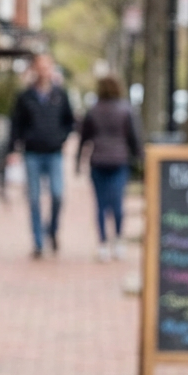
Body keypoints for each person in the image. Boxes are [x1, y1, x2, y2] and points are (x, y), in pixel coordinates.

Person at [9, 52, 75, 257]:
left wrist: (61, 138)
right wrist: (11, 150)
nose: (43, 70)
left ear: (52, 68)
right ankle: (38, 242)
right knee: (34, 198)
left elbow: (70, 121)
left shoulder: (61, 95)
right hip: (32, 154)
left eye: (47, 66)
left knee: (57, 195)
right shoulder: (25, 96)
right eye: (40, 66)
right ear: (34, 69)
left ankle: (52, 231)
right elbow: (16, 125)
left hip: (54, 153)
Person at [77, 75, 142, 261]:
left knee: (101, 204)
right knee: (118, 202)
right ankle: (119, 239)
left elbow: (84, 138)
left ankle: (103, 243)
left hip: (98, 161)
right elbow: (134, 137)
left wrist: (78, 161)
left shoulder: (93, 110)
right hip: (119, 161)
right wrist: (140, 159)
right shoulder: (126, 109)